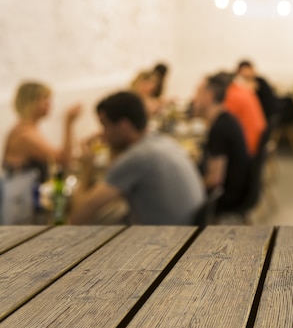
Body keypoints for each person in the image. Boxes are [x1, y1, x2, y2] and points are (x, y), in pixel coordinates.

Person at [69, 91, 205, 225]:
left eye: (105, 126)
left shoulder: (138, 158)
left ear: (124, 126)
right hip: (189, 232)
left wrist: (86, 168)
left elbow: (78, 217)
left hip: (169, 240)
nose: (102, 135)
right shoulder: (161, 141)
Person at [2, 81, 82, 183]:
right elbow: (64, 160)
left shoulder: (26, 128)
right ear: (32, 102)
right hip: (22, 196)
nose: (50, 104)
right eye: (45, 99)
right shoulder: (25, 135)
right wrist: (69, 123)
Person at [193, 73, 250, 215]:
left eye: (198, 92)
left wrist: (187, 187)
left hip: (227, 198)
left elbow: (214, 180)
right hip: (238, 191)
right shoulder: (226, 119)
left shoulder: (220, 128)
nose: (194, 98)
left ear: (209, 96)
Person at [222, 71, 267, 157]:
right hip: (255, 143)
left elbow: (224, 123)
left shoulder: (232, 96)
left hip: (247, 148)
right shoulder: (244, 91)